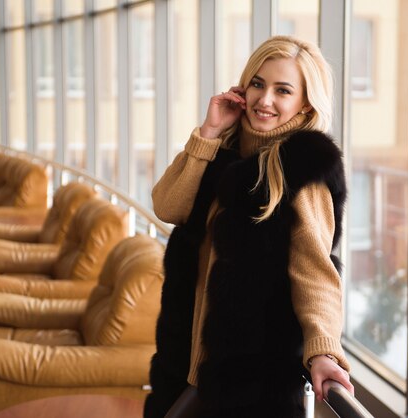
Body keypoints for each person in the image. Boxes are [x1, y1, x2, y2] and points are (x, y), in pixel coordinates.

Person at [145, 35, 354, 418]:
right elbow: (167, 205)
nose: (265, 100)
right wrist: (207, 132)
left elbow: (315, 270)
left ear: (305, 102)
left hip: (248, 387)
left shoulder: (301, 170)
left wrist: (323, 348)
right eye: (258, 83)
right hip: (184, 362)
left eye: (283, 90)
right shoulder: (221, 147)